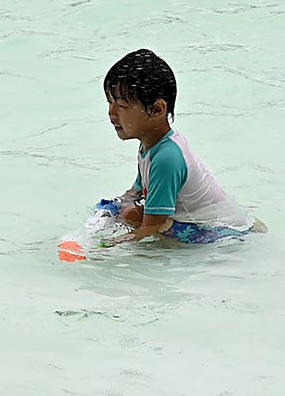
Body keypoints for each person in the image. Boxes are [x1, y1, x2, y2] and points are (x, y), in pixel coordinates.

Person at [94, 46, 258, 246]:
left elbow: (151, 227)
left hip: (223, 233)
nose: (111, 113)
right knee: (124, 211)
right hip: (227, 222)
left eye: (121, 106)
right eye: (109, 103)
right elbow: (136, 191)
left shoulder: (167, 158)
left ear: (157, 109)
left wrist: (106, 246)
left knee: (132, 216)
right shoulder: (151, 145)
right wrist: (111, 208)